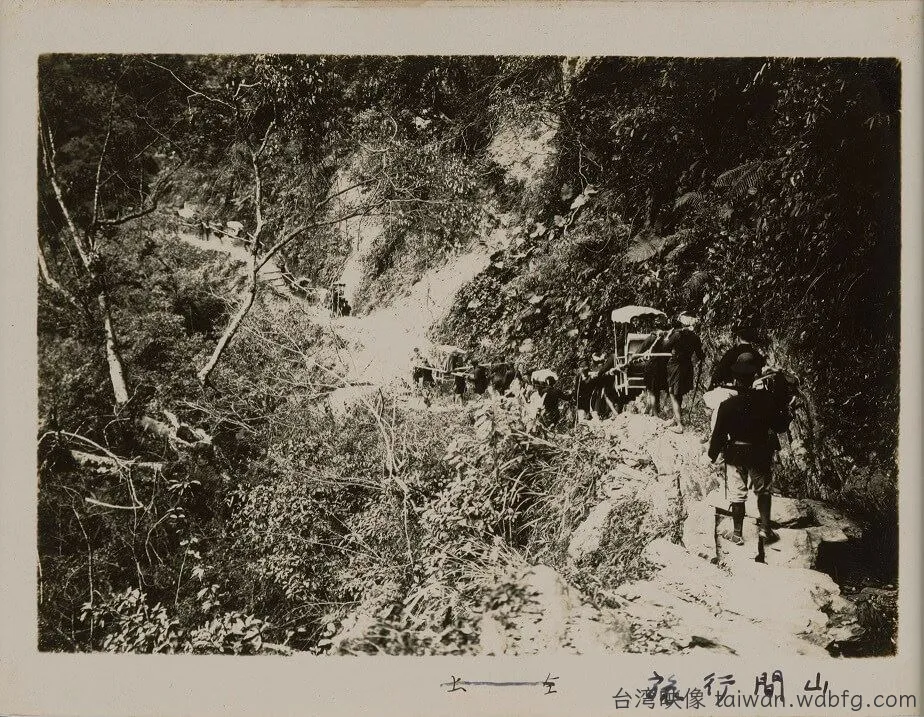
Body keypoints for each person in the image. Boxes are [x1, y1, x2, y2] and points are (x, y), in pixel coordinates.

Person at [707, 352, 791, 546]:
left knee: (737, 494)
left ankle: (737, 534)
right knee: (763, 491)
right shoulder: (767, 401)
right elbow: (780, 426)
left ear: (735, 378)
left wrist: (712, 455)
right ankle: (765, 530)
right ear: (755, 376)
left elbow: (718, 434)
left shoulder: (727, 404)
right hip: (759, 453)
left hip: (735, 454)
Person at [662, 316, 704, 433]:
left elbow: (665, 347)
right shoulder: (695, 337)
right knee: (678, 392)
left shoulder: (677, 335)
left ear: (682, 324)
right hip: (687, 366)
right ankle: (675, 418)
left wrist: (667, 336)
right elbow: (700, 354)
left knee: (672, 393)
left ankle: (679, 425)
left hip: (676, 365)